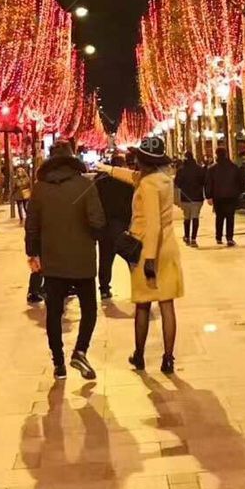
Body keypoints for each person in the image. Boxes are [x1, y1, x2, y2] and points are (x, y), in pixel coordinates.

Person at [97, 134, 184, 374]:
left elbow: (153, 224)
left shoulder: (146, 184)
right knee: (167, 305)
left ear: (144, 161)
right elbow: (131, 176)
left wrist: (148, 259)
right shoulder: (164, 180)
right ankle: (168, 358)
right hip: (168, 248)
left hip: (149, 248)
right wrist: (106, 168)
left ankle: (139, 355)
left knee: (143, 306)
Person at [25, 140, 106, 380]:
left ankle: (58, 361)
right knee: (89, 308)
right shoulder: (84, 185)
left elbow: (32, 226)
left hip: (53, 260)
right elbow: (97, 222)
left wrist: (33, 253)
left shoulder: (39, 188)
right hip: (82, 259)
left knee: (54, 311)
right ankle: (80, 350)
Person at [94, 153, 134, 299]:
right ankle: (137, 285)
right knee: (132, 256)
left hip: (104, 227)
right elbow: (133, 205)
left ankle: (104, 288)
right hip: (122, 226)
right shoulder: (128, 183)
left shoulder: (100, 183)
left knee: (105, 258)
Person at [205, 145, 244, 246]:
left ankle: (218, 237)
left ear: (216, 155)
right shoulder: (234, 167)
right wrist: (239, 192)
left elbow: (208, 183)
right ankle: (229, 238)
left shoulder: (212, 169)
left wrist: (209, 196)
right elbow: (241, 181)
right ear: (226, 154)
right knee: (230, 217)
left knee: (219, 217)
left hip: (218, 197)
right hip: (231, 196)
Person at [174, 150, 207, 246]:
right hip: (197, 197)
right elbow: (204, 181)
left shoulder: (181, 170)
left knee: (187, 217)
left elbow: (177, 184)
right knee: (195, 217)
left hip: (185, 197)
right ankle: (193, 238)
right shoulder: (199, 169)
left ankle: (187, 236)